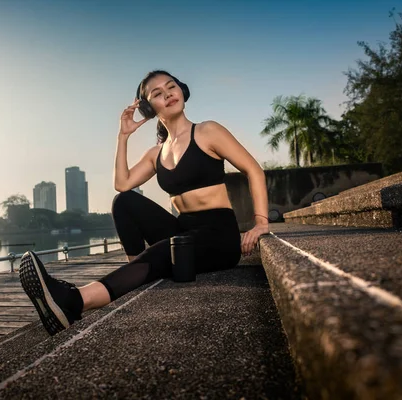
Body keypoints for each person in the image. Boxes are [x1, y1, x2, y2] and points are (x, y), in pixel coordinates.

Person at [18, 70, 270, 336]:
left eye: (171, 87)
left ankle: (75, 300)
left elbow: (254, 170)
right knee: (125, 202)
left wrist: (260, 223)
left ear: (182, 90)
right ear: (150, 108)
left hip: (218, 237)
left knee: (165, 250)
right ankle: (135, 274)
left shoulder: (208, 131)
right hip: (184, 230)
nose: (168, 94)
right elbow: (123, 184)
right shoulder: (156, 154)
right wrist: (123, 135)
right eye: (158, 94)